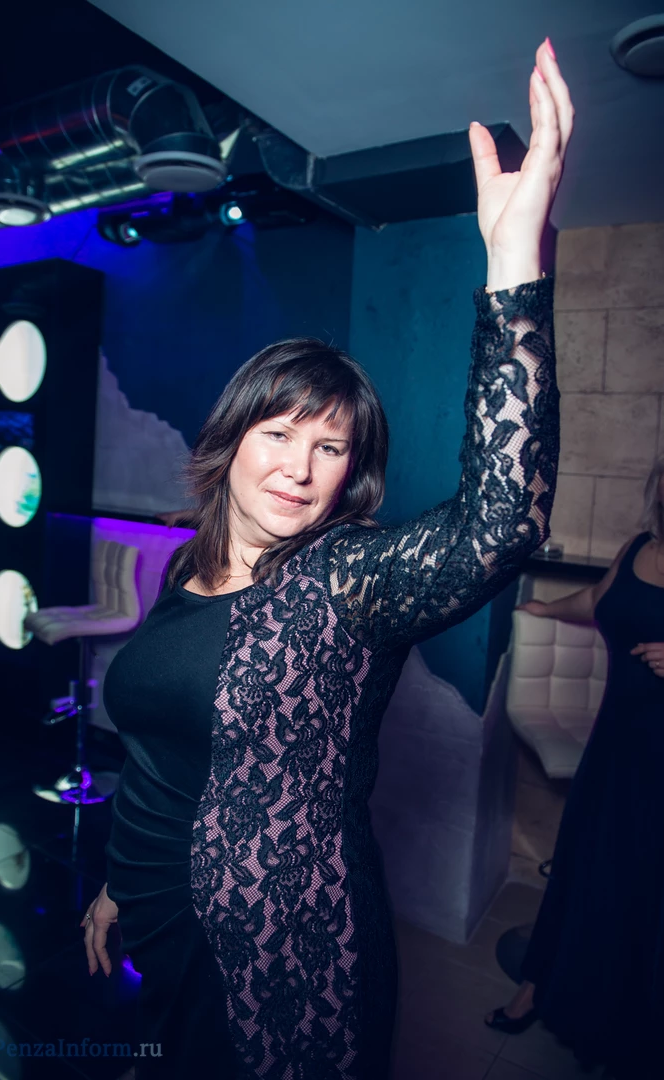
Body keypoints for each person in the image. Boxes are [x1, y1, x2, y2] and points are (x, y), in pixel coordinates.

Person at [81, 39, 573, 1080]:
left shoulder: (342, 581)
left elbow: (501, 524)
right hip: (156, 909)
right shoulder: (186, 566)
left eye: (330, 447)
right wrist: (119, 882)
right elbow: (167, 757)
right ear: (231, 439)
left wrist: (513, 262)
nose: (299, 467)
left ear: (352, 471)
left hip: (276, 945)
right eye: (278, 433)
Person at [485, 457, 664, 1079]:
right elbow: (597, 599)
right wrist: (544, 610)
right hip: (615, 742)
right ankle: (539, 987)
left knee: (638, 886)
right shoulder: (639, 547)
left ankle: (622, 1028)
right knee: (582, 864)